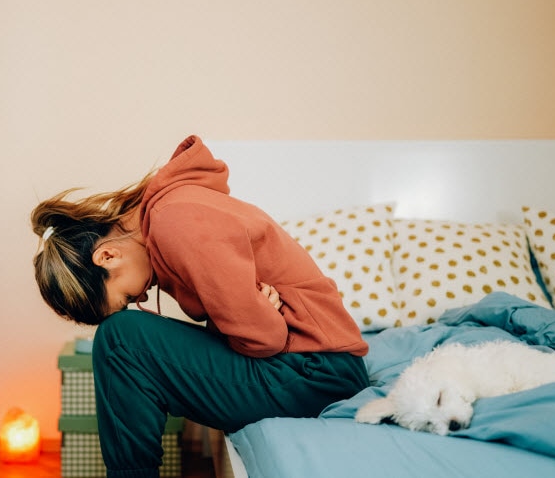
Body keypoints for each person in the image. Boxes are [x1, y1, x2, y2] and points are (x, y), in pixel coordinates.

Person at [31, 135, 369, 478]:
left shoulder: (176, 223)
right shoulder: (170, 212)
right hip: (308, 365)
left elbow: (267, 337)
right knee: (123, 338)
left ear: (107, 256)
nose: (141, 299)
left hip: (317, 373)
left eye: (126, 299)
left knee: (119, 338)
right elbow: (251, 329)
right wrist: (253, 315)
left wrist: (259, 318)